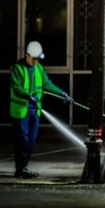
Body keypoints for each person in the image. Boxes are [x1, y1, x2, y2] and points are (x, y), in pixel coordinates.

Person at [9, 40, 72, 178]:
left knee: (31, 142)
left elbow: (48, 84)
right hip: (21, 112)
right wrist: (28, 97)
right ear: (27, 55)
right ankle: (20, 169)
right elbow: (17, 88)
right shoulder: (17, 68)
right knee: (23, 142)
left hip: (34, 111)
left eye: (38, 58)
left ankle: (23, 168)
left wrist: (63, 94)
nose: (36, 61)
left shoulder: (38, 68)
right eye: (34, 58)